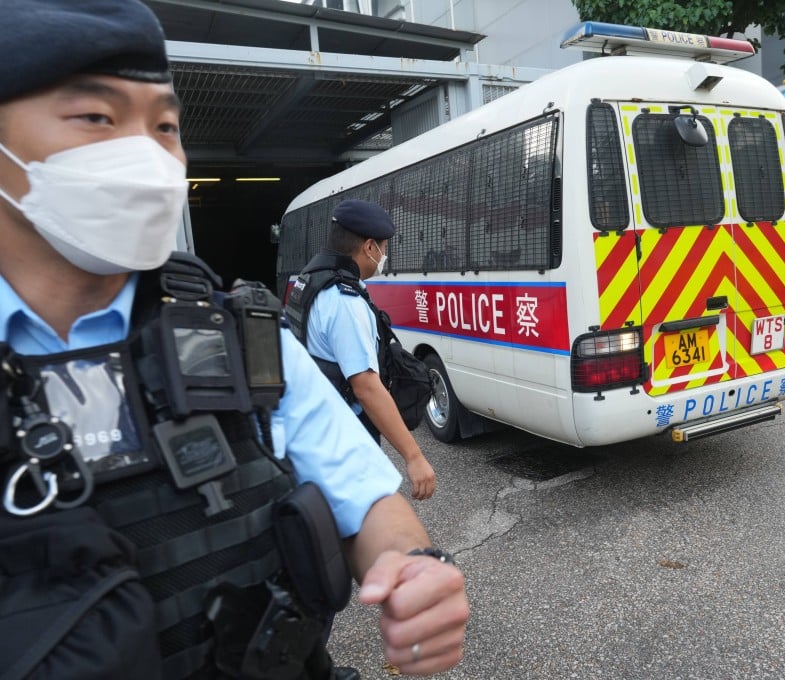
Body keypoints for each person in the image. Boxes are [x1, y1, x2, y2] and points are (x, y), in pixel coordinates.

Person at [0, 1, 466, 678]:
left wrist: (411, 569)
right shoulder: (336, 299)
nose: (145, 152)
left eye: (164, 125)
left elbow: (361, 493)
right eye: (96, 117)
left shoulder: (239, 338)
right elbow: (364, 380)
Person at [291, 200, 437, 501]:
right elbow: (366, 387)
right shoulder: (345, 302)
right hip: (343, 439)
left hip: (315, 427)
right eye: (384, 247)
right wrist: (414, 455)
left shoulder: (308, 281)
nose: (385, 255)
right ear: (370, 247)